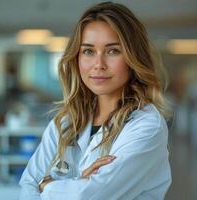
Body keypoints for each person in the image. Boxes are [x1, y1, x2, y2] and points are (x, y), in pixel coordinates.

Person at [19, 2, 171, 200]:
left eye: (113, 51)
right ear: (77, 57)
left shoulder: (147, 126)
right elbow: (27, 185)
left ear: (133, 58)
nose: (99, 65)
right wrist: (77, 183)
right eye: (89, 51)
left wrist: (46, 185)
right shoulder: (65, 122)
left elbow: (90, 196)